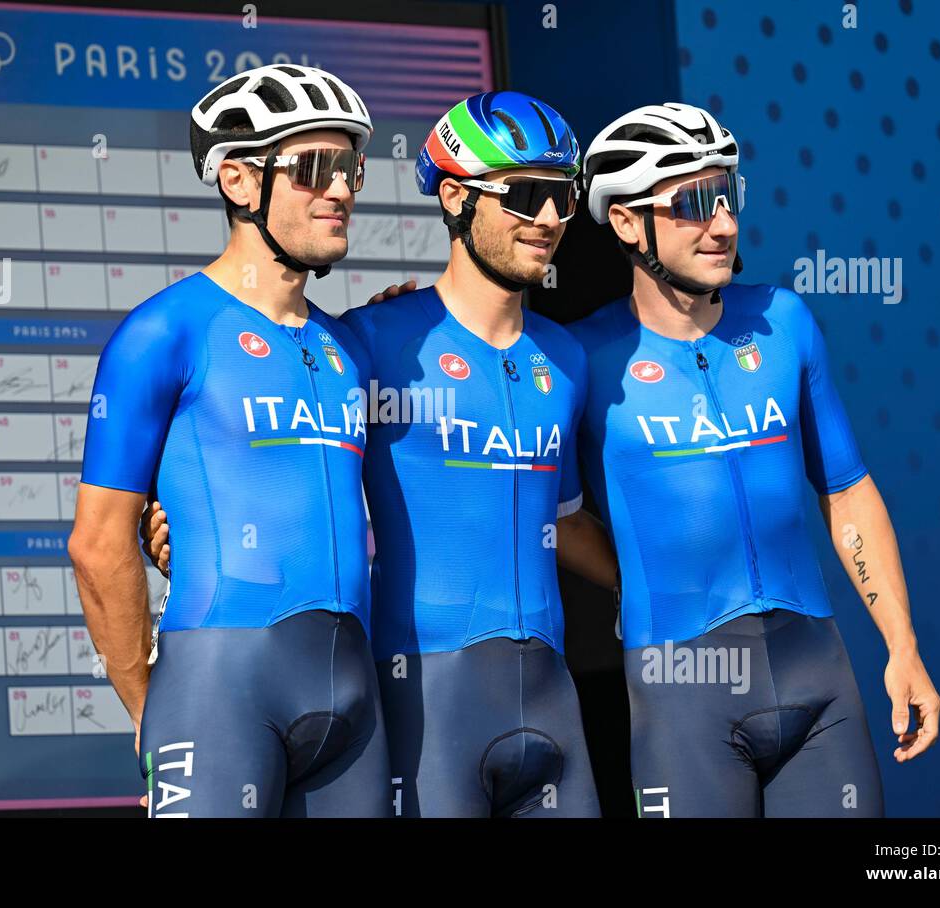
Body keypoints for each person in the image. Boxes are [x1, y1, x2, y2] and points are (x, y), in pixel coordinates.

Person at [144, 92, 605, 817]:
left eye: (564, 197)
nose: (550, 218)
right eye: (525, 194)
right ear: (456, 198)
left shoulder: (568, 358)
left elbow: (567, 518)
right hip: (419, 696)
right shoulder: (369, 341)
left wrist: (637, 593)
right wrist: (182, 529)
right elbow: (266, 451)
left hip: (551, 693)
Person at [569, 102, 940, 816]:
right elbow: (550, 519)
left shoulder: (784, 320)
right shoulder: (581, 359)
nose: (725, 225)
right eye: (694, 203)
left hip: (817, 676)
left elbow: (849, 490)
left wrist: (903, 645)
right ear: (625, 221)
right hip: (684, 696)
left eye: (728, 194)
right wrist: (636, 581)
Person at [68, 64, 389, 818]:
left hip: (354, 702)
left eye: (351, 168)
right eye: (315, 168)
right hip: (217, 693)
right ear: (241, 182)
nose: (341, 189)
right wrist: (153, 705)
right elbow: (98, 542)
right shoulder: (163, 332)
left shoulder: (352, 348)